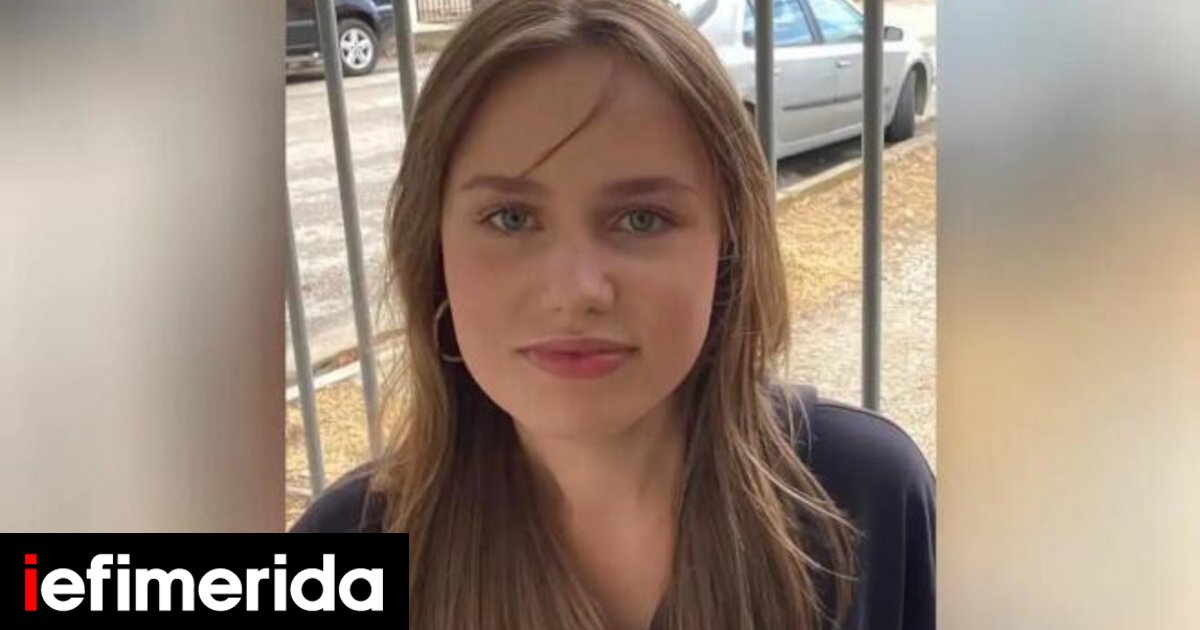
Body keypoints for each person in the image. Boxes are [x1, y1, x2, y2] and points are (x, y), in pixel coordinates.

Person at [290, 1, 935, 629]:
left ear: (729, 245)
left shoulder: (868, 500)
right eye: (511, 218)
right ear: (432, 248)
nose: (576, 291)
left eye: (642, 219)